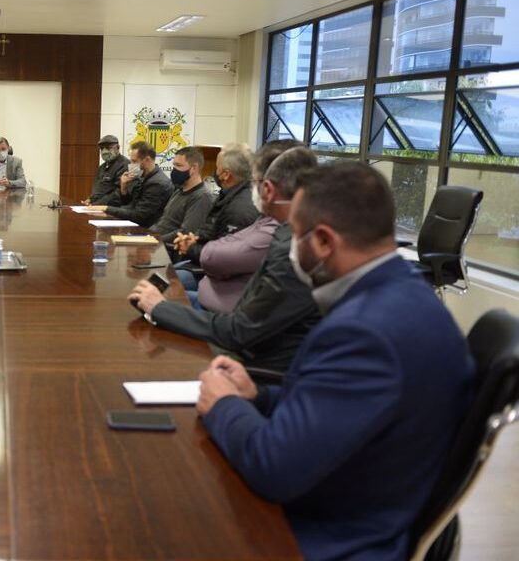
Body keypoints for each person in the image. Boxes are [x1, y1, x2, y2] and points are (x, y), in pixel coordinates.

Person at [194, 161, 474, 561]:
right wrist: (257, 396)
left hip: (325, 537)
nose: (291, 247)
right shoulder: (404, 295)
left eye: (296, 234)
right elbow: (336, 407)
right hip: (350, 497)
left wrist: (223, 404)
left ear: (324, 241)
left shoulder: (366, 333)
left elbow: (274, 467)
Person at [130, 147, 321, 371]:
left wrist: (160, 308)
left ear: (267, 189)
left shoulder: (292, 247)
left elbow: (238, 331)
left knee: (158, 357)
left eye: (253, 181)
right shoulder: (285, 231)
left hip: (247, 360)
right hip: (242, 335)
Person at [190, 140, 300, 312]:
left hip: (224, 313)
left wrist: (192, 247)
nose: (252, 187)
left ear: (268, 188)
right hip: (218, 298)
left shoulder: (272, 227)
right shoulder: (267, 218)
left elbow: (213, 257)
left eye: (254, 181)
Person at [170, 143, 258, 265]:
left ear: (226, 174)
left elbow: (224, 257)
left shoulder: (238, 209)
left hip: (214, 270)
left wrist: (190, 248)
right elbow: (213, 232)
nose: (214, 172)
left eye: (217, 168)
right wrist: (196, 239)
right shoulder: (228, 194)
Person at [87, 140, 172, 227]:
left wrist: (106, 208)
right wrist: (123, 188)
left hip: (147, 229)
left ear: (147, 160)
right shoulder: (142, 177)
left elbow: (139, 215)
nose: (131, 165)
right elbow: (130, 205)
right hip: (135, 225)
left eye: (134, 161)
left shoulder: (157, 183)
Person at [151, 146, 215, 244]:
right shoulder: (178, 191)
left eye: (179, 165)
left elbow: (186, 232)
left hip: (169, 248)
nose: (174, 170)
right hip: (156, 242)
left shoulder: (202, 197)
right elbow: (164, 222)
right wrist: (146, 234)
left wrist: (156, 240)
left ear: (194, 168)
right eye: (174, 165)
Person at [83, 135, 129, 206]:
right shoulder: (102, 167)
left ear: (118, 147)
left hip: (113, 208)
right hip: (97, 207)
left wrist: (96, 204)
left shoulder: (124, 165)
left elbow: (118, 194)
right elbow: (98, 189)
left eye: (108, 147)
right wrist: (90, 199)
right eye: (102, 148)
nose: (104, 151)